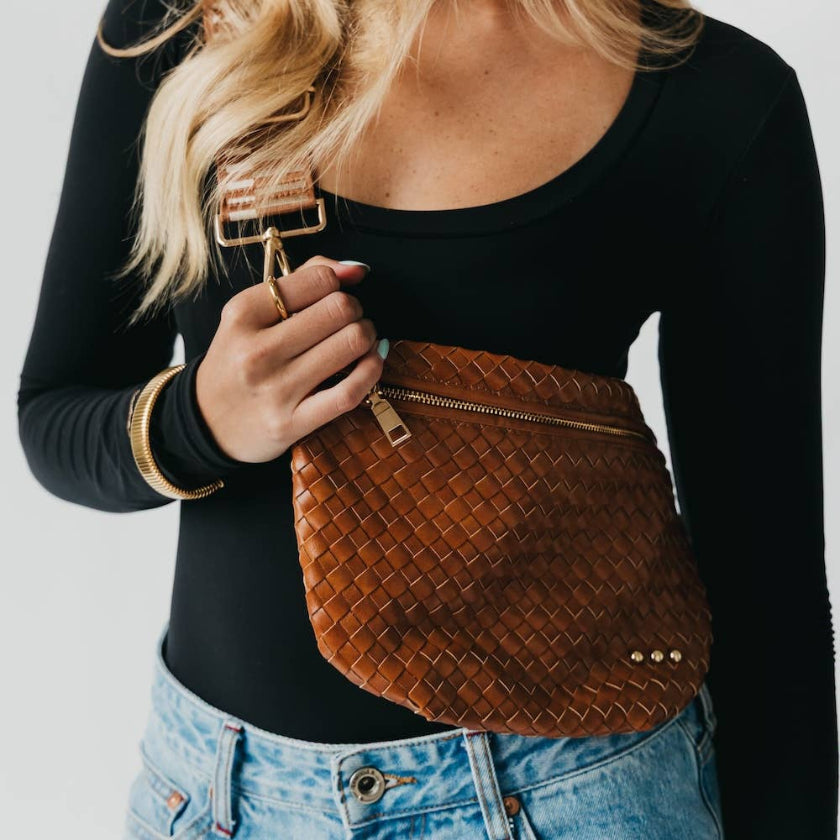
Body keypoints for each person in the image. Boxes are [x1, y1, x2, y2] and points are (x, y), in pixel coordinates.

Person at [17, 0, 836, 837]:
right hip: (216, 795)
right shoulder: (184, 24)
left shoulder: (717, 96)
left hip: (579, 793)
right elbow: (55, 414)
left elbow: (766, 582)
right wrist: (199, 422)